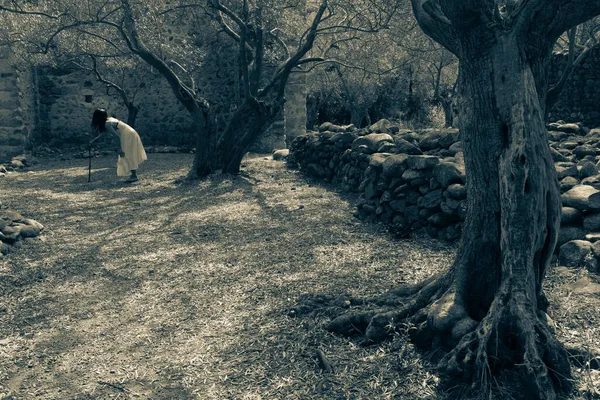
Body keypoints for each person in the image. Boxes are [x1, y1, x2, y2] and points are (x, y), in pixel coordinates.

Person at [90, 109, 147, 182]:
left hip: (128, 135)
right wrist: (94, 140)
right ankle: (133, 174)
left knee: (127, 153)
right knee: (128, 153)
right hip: (130, 133)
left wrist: (119, 148)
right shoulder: (109, 120)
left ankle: (134, 175)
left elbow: (116, 136)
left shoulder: (107, 123)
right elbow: (104, 133)